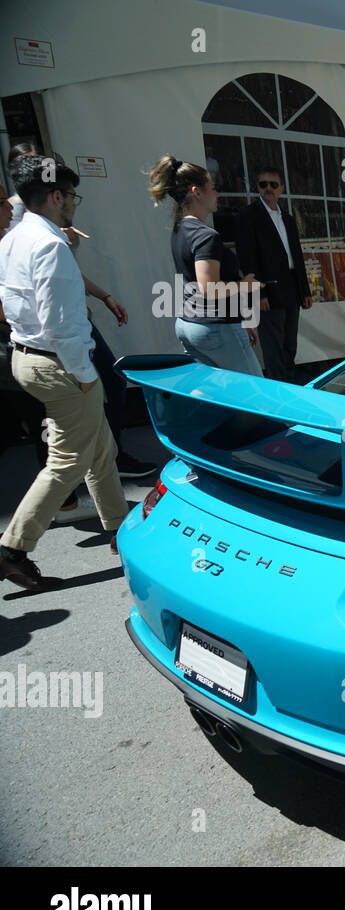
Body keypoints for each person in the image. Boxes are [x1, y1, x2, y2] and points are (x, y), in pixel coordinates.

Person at [0, 156, 128, 592]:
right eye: (71, 195)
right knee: (69, 460)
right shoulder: (50, 245)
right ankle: (12, 549)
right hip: (58, 363)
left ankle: (120, 529)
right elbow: (60, 324)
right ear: (56, 197)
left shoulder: (16, 236)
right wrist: (84, 374)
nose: (74, 203)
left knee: (99, 445)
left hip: (28, 356)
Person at [148, 155, 262, 376]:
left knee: (211, 392)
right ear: (196, 192)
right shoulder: (206, 236)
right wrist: (246, 285)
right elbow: (209, 288)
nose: (217, 193)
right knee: (254, 393)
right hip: (215, 327)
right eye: (212, 187)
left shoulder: (179, 229)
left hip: (188, 323)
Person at [235, 165, 312, 382]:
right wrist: (258, 294)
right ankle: (279, 387)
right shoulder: (248, 216)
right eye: (263, 184)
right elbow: (247, 259)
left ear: (281, 188)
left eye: (273, 184)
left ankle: (289, 382)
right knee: (272, 344)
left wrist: (304, 290)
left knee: (290, 342)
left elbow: (296, 255)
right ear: (258, 187)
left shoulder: (287, 218)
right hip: (267, 289)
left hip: (291, 286)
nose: (268, 189)